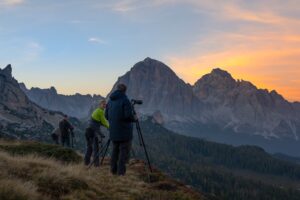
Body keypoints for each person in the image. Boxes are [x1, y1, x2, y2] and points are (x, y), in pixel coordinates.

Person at [105, 84, 136, 176]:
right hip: (124, 132)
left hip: (113, 132)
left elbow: (106, 116)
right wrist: (134, 118)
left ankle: (113, 171)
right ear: (125, 91)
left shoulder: (110, 101)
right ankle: (121, 173)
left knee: (115, 151)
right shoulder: (125, 100)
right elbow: (128, 116)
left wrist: (114, 122)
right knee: (123, 152)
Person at [84, 100, 109, 167]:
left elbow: (99, 122)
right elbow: (104, 121)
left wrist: (101, 132)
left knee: (89, 148)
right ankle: (96, 165)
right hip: (92, 132)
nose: (104, 106)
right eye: (103, 105)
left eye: (105, 105)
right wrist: (110, 127)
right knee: (96, 149)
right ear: (100, 105)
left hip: (88, 131)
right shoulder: (100, 111)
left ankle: (86, 163)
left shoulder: (97, 110)